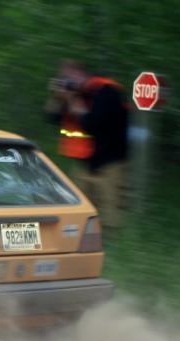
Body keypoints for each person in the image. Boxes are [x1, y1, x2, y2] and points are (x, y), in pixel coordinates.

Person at [46, 60, 129, 230]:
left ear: (79, 73)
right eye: (63, 78)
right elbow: (51, 117)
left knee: (109, 208)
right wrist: (56, 96)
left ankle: (112, 244)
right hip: (84, 161)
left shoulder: (106, 91)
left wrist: (70, 100)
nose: (67, 82)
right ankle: (84, 240)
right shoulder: (77, 94)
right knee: (81, 207)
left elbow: (91, 123)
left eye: (68, 77)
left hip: (110, 161)